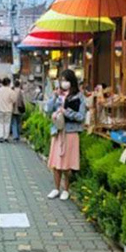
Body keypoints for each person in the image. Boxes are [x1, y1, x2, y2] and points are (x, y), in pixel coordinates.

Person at [44, 69, 86, 201]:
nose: (64, 83)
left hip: (70, 133)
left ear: (72, 81)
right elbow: (47, 109)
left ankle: (66, 189)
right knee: (56, 162)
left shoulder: (79, 96)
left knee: (67, 164)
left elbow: (81, 116)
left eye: (66, 80)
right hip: (57, 132)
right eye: (62, 80)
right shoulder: (58, 95)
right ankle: (56, 188)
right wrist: (54, 96)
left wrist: (66, 112)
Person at [0, 77, 16, 142]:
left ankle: (0, 136)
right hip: (8, 109)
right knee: (7, 123)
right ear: (9, 83)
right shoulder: (11, 91)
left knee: (0, 123)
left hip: (0, 109)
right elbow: (14, 100)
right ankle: (6, 136)